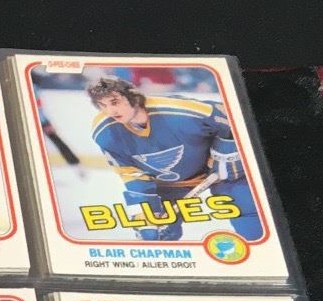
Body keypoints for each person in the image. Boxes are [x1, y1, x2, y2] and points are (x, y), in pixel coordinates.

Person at [85, 75, 262, 241]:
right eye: (102, 105)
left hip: (221, 172)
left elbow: (231, 116)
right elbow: (132, 174)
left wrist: (227, 152)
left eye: (115, 102)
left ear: (133, 97)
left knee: (250, 221)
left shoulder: (180, 111)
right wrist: (144, 215)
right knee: (156, 235)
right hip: (171, 184)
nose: (110, 111)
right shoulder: (105, 132)